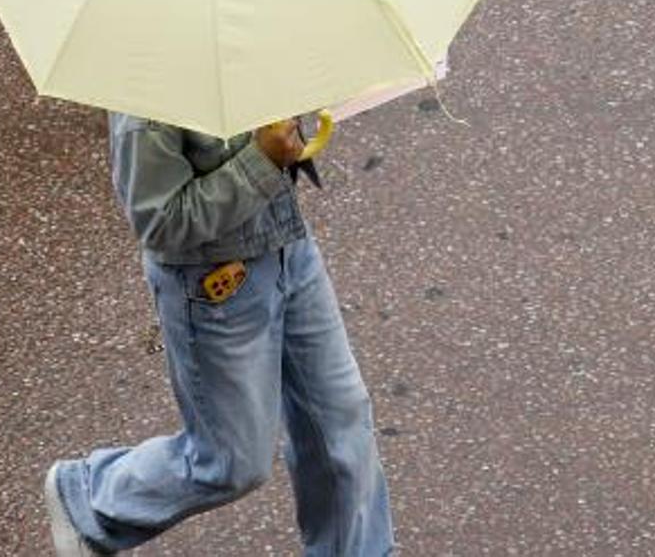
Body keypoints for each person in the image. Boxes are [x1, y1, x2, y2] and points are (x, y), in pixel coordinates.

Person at [43, 113, 395, 556]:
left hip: (290, 250)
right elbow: (159, 223)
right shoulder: (148, 98)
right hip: (216, 287)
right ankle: (93, 500)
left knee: (340, 421)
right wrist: (263, 160)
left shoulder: (252, 44)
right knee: (231, 462)